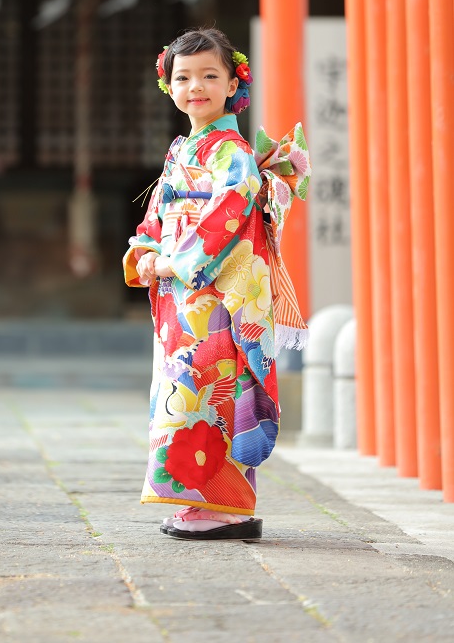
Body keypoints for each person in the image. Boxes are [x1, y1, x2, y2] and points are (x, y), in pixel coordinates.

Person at [123, 28, 311, 540]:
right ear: (169, 85)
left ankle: (229, 507)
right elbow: (157, 215)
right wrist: (143, 251)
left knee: (214, 392)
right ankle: (200, 502)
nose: (196, 86)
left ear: (233, 83)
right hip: (181, 297)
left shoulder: (231, 151)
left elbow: (231, 210)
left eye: (210, 75)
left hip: (215, 293)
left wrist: (176, 263)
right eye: (183, 77)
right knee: (184, 390)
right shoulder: (181, 150)